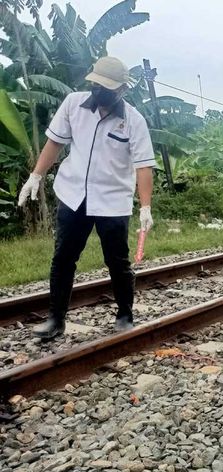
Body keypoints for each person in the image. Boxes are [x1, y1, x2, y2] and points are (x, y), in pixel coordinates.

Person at [16, 56, 155, 340]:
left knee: (117, 261)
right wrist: (36, 176)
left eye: (108, 89)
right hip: (73, 195)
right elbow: (55, 142)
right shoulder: (73, 105)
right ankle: (56, 319)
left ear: (121, 90)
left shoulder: (133, 121)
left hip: (112, 200)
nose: (101, 93)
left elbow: (143, 166)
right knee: (63, 258)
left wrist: (146, 207)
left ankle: (125, 315)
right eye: (97, 86)